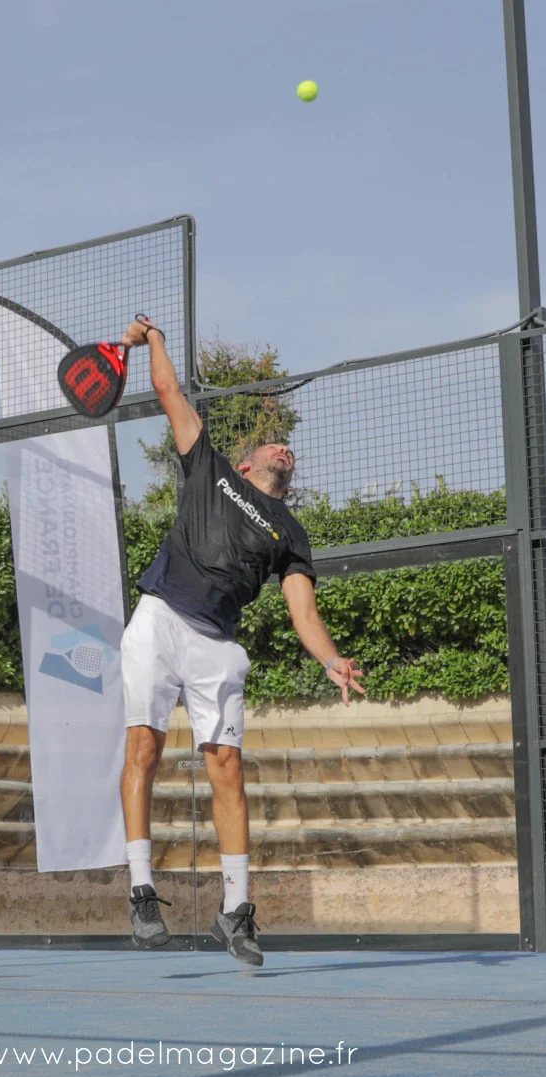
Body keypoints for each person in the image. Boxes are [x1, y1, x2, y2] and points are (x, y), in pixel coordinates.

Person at [116, 316, 366, 969]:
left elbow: (302, 613)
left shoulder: (292, 533)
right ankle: (141, 889)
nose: (285, 451)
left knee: (225, 765)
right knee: (143, 746)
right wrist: (155, 343)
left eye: (291, 450)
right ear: (248, 461)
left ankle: (235, 911)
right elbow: (171, 395)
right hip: (159, 617)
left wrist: (331, 659)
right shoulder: (212, 470)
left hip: (216, 646)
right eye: (274, 447)